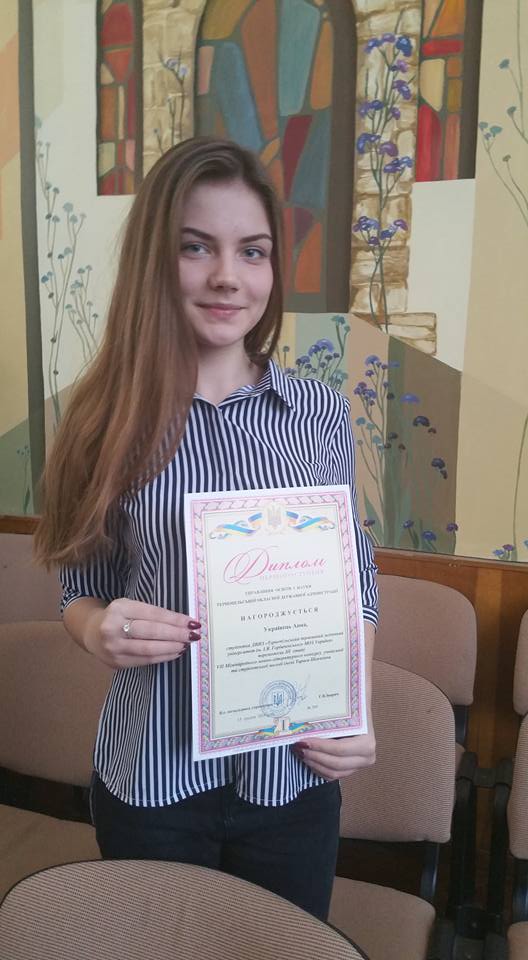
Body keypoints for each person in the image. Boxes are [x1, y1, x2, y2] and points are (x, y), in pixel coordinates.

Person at [35, 137, 378, 922]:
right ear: (155, 261)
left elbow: (355, 578)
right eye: (197, 247)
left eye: (252, 251)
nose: (228, 274)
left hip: (294, 779)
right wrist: (97, 631)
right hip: (154, 781)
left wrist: (355, 705)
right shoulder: (99, 423)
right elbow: (79, 590)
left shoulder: (321, 414)